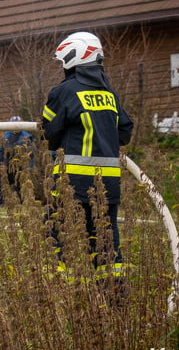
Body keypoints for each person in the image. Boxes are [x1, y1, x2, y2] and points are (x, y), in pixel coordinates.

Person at [42, 31, 134, 283]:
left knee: (56, 229)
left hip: (72, 182)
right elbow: (125, 131)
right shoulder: (109, 94)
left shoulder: (64, 91)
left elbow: (48, 133)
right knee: (105, 238)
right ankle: (113, 293)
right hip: (109, 184)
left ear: (74, 58)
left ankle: (61, 286)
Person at [1, 115, 33, 190]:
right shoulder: (6, 136)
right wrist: (2, 162)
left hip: (21, 166)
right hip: (8, 165)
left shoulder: (26, 137)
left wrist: (28, 167)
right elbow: (2, 151)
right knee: (6, 185)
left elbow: (31, 154)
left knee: (21, 186)